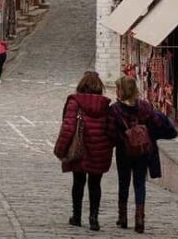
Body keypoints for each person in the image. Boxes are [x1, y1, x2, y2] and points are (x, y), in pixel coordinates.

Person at [54, 71, 112, 231]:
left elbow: (68, 126)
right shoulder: (105, 104)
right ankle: (94, 219)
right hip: (99, 148)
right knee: (95, 184)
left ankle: (77, 216)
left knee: (78, 182)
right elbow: (110, 128)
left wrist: (60, 149)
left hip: (79, 148)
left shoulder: (75, 101)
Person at [106, 75, 163, 234]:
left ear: (121, 90)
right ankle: (140, 219)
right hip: (143, 151)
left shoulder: (114, 109)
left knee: (123, 182)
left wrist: (123, 138)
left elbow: (110, 132)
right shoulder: (144, 106)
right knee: (140, 184)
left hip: (124, 151)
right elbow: (156, 124)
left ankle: (122, 217)